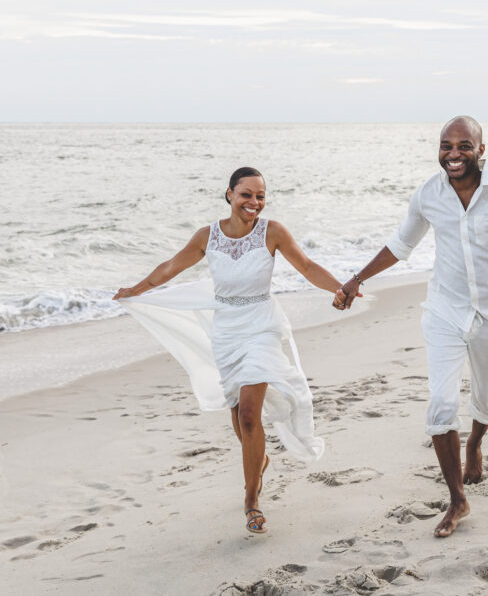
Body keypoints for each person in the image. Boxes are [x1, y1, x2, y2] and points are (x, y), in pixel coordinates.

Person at [333, 116, 488, 538]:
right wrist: (356, 279)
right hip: (444, 309)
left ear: (481, 150)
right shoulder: (429, 193)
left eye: (463, 146)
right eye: (446, 146)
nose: (453, 154)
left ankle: (474, 443)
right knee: (441, 404)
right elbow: (401, 245)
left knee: (486, 398)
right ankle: (457, 499)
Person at [114, 167, 354, 535]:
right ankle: (258, 460)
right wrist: (136, 290)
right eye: (246, 194)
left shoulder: (273, 232)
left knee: (248, 414)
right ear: (229, 194)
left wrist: (341, 288)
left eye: (260, 196)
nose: (254, 202)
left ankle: (251, 499)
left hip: (261, 326)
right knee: (239, 417)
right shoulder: (207, 236)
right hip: (226, 332)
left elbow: (306, 266)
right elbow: (172, 266)